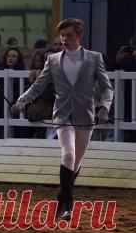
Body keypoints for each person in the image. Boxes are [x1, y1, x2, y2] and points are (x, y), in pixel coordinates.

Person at [12, 17, 113, 220]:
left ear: (79, 36)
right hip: (62, 115)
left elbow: (107, 88)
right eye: (62, 35)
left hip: (86, 116)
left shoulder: (94, 58)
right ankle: (66, 206)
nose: (64, 39)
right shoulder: (53, 60)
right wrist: (22, 101)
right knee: (68, 154)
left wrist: (104, 108)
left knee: (75, 164)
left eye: (69, 35)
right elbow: (38, 86)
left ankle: (61, 197)